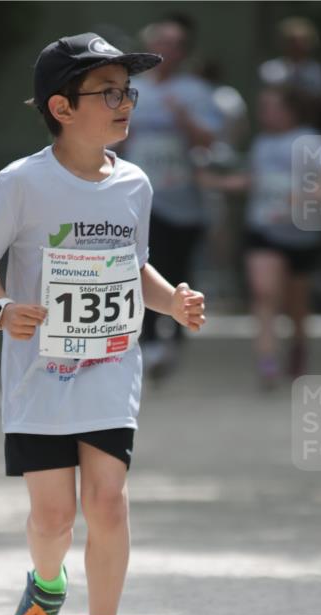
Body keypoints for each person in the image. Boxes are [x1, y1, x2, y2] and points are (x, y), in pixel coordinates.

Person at [0, 32, 205, 615]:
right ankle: (45, 585)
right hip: (41, 373)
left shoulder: (135, 183)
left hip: (109, 365)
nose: (125, 102)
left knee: (108, 504)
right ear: (63, 108)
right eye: (109, 92)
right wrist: (0, 308)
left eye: (128, 90)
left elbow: (135, 269)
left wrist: (171, 303)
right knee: (52, 519)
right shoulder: (22, 182)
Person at [199, 84, 321, 386]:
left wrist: (309, 197)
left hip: (301, 235)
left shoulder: (309, 139)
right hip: (263, 229)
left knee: (295, 303)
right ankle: (267, 360)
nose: (264, 113)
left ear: (290, 110)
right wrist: (218, 183)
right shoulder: (261, 144)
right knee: (264, 292)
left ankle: (298, 345)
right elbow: (254, 180)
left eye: (271, 106)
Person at [122, 16, 222, 378]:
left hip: (184, 198)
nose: (167, 49)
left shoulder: (196, 92)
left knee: (179, 268)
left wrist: (183, 119)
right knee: (142, 264)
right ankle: (149, 338)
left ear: (185, 51)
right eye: (161, 41)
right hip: (140, 196)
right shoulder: (130, 87)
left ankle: (175, 337)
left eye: (176, 43)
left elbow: (209, 141)